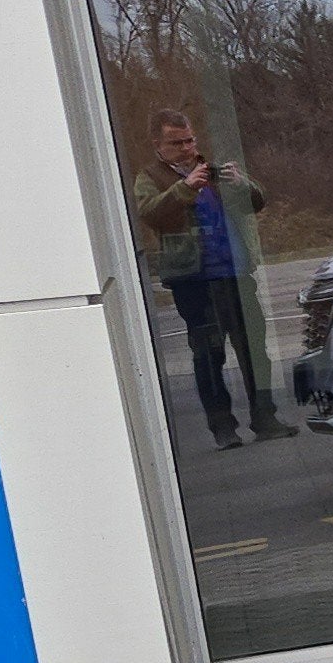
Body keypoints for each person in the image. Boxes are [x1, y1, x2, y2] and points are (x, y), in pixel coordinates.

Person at [131, 108, 291, 447]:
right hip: (194, 279)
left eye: (190, 140)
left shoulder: (213, 171)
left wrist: (243, 184)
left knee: (254, 350)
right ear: (158, 145)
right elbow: (149, 212)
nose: (187, 148)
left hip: (235, 272)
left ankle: (265, 417)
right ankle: (222, 427)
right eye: (177, 143)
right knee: (208, 353)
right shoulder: (150, 177)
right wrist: (184, 188)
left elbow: (256, 203)